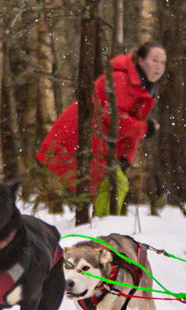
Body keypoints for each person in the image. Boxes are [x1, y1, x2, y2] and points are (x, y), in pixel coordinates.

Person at [36, 42, 166, 213]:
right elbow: (115, 118)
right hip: (81, 136)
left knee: (115, 184)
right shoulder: (122, 79)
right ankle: (103, 227)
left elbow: (127, 125)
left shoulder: (145, 88)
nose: (159, 67)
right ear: (140, 60)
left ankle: (104, 226)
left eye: (163, 62)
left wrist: (126, 157)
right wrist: (145, 129)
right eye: (154, 60)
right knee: (112, 185)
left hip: (98, 143)